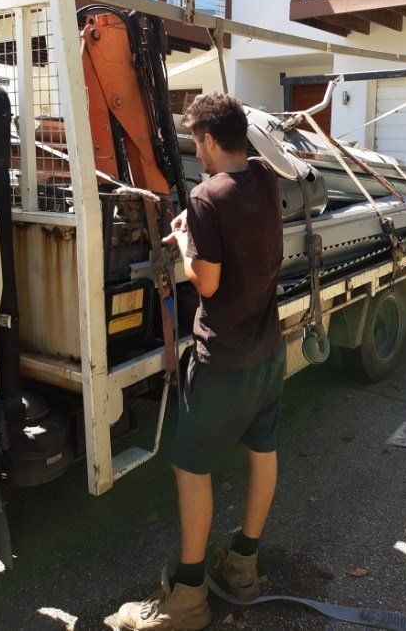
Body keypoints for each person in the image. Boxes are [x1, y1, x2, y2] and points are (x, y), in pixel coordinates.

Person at [118, 92, 284, 631]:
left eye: (196, 141)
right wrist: (199, 231)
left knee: (191, 467)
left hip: (225, 357)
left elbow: (207, 282)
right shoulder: (264, 177)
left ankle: (188, 598)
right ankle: (243, 567)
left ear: (210, 140)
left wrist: (186, 244)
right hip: (267, 348)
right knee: (262, 450)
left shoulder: (207, 196)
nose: (197, 151)